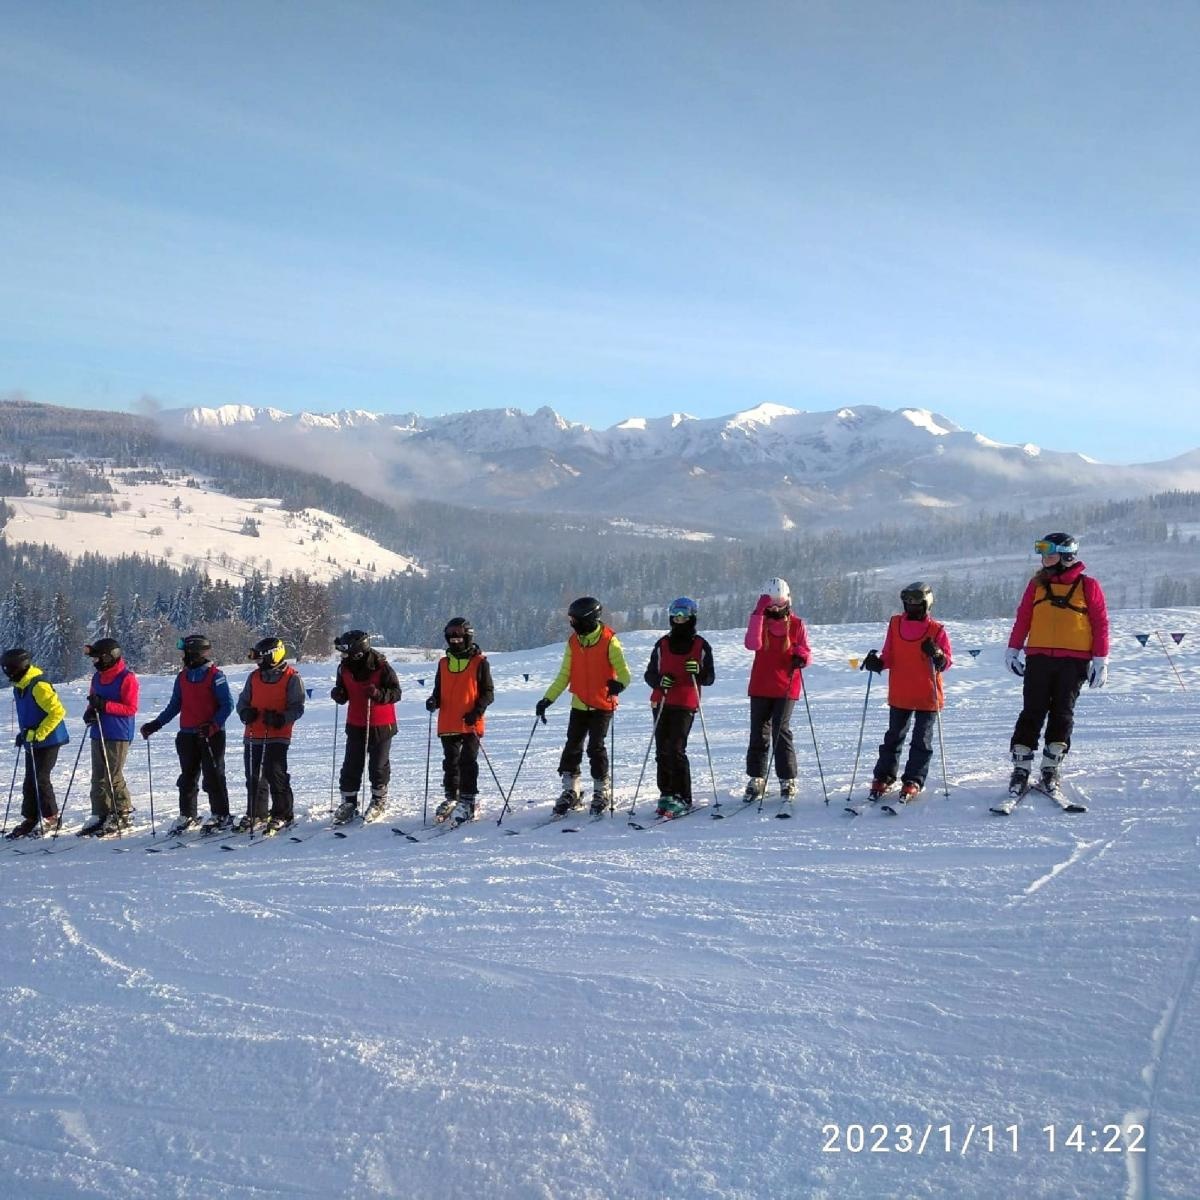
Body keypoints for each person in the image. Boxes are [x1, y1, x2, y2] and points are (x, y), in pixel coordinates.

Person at [1004, 532, 1109, 795]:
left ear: (1066, 555)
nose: (1043, 558)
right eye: (1041, 552)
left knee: (1062, 713)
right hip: (1038, 658)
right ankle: (1021, 768)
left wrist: (1101, 660)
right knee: (1032, 711)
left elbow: (1100, 623)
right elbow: (1023, 617)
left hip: (1074, 662)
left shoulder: (1089, 586)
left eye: (1048, 553)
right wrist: (1013, 649)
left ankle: (1051, 767)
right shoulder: (1036, 584)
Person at [535, 596, 632, 815]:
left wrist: (619, 685)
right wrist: (547, 699)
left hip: (603, 704)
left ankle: (601, 790)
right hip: (579, 703)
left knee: (595, 747)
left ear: (588, 618)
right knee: (573, 746)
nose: (572, 624)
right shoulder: (574, 642)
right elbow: (564, 675)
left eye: (575, 620)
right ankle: (572, 791)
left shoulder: (609, 641)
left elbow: (625, 674)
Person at [859, 582, 953, 804]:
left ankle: (914, 779)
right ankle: (883, 776)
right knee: (894, 737)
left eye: (915, 603)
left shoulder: (937, 630)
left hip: (927, 695)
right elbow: (890, 654)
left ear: (926, 604)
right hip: (901, 692)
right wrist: (878, 663)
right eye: (907, 602)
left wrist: (937, 654)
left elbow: (946, 663)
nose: (910, 607)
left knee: (921, 740)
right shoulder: (895, 624)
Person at [139, 634, 235, 835]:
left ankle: (221, 814)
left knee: (213, 776)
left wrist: (214, 725)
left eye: (185, 653)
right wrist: (155, 724)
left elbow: (227, 705)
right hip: (187, 735)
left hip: (211, 735)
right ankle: (188, 814)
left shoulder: (215, 676)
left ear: (194, 653)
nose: (182, 657)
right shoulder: (183, 677)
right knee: (187, 778)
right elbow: (175, 705)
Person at [642, 598, 716, 817]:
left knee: (676, 748)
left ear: (692, 617)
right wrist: (659, 681)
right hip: (662, 700)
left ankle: (683, 796)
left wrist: (699, 672)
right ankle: (667, 792)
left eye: (683, 616)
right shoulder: (662, 644)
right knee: (662, 751)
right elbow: (650, 673)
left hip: (685, 701)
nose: (679, 621)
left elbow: (709, 677)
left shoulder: (700, 645)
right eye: (675, 617)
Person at [743, 578, 811, 801]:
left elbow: (805, 650)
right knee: (758, 733)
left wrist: (801, 657)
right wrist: (757, 614)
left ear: (787, 601)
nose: (775, 608)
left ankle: (787, 778)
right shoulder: (760, 623)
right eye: (770, 603)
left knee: (780, 731)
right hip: (761, 685)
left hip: (786, 685)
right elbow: (752, 644)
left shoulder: (797, 624)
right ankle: (756, 778)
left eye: (778, 603)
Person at [424, 618, 494, 824]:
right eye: (451, 639)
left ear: (468, 637)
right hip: (448, 720)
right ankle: (451, 797)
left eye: (459, 638)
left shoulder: (480, 662)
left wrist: (477, 711)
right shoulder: (443, 663)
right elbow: (439, 690)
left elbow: (488, 693)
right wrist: (433, 701)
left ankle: (468, 799)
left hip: (471, 722)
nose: (455, 642)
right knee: (450, 763)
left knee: (467, 762)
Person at [235, 636, 306, 835]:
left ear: (273, 656)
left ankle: (282, 813)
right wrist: (244, 712)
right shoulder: (254, 677)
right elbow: (242, 702)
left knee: (275, 773)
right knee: (253, 775)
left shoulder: (291, 677)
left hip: (277, 734)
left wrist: (281, 718)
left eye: (261, 659)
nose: (258, 663)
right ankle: (257, 812)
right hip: (253, 733)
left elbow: (297, 708)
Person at [331, 629, 402, 824]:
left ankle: (378, 800)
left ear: (358, 651)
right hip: (355, 722)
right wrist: (339, 694)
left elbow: (396, 693)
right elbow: (344, 691)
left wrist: (379, 694)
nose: (343, 656)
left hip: (381, 723)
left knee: (378, 766)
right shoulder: (343, 668)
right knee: (351, 765)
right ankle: (349, 802)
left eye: (346, 652)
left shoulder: (381, 666)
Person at [2, 647, 67, 839]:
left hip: (50, 738)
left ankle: (52, 818)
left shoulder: (38, 685)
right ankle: (31, 818)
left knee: (41, 778)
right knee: (29, 779)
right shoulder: (20, 686)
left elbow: (57, 712)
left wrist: (39, 733)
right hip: (32, 738)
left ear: (19, 667)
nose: (7, 673)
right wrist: (24, 734)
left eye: (9, 669)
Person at [81, 638, 139, 837]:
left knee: (112, 775)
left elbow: (130, 708)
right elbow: (93, 699)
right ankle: (100, 812)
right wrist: (90, 711)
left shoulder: (126, 678)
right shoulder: (97, 677)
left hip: (117, 733)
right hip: (98, 731)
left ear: (109, 657)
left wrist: (105, 706)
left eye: (97, 658)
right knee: (97, 777)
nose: (95, 662)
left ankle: (122, 811)